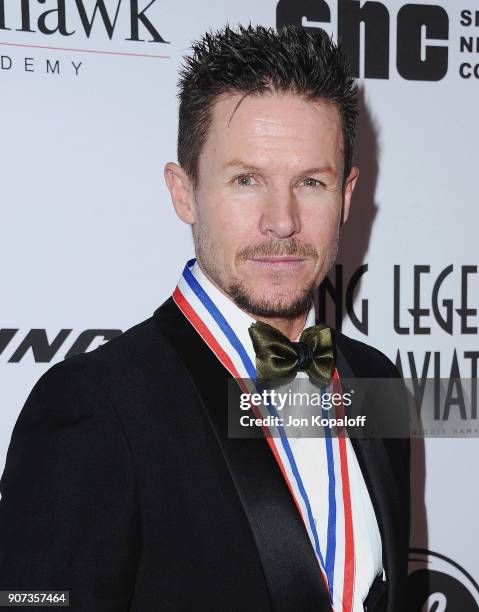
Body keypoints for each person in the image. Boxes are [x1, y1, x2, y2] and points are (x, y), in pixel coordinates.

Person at [0, 25, 410, 612]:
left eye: (311, 183)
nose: (282, 221)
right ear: (183, 191)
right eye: (247, 180)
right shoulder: (94, 405)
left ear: (346, 195)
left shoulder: (376, 380)